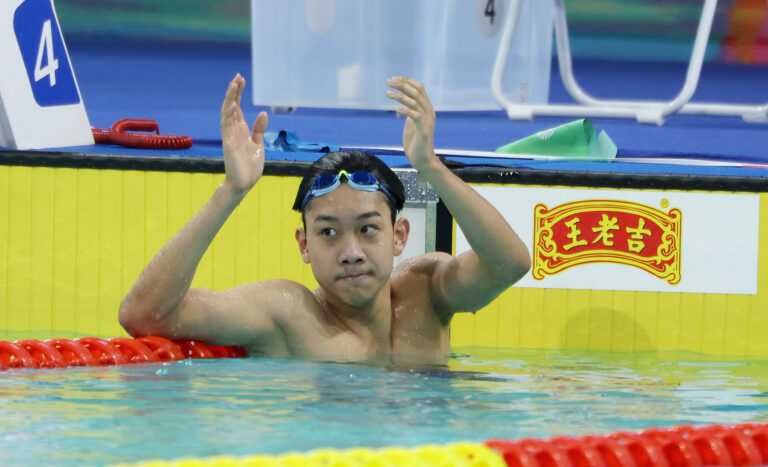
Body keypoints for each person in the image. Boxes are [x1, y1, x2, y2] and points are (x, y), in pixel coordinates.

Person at [119, 74, 531, 364]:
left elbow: (509, 263)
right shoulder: (287, 316)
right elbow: (145, 316)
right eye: (329, 233)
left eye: (368, 229)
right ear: (304, 244)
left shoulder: (427, 294)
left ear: (399, 235)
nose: (351, 253)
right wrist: (230, 192)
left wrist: (431, 167)